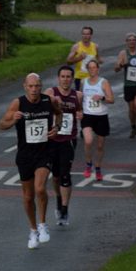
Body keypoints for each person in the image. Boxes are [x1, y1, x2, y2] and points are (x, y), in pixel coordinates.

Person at [0, 73, 59, 249]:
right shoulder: (18, 103)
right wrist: (12, 120)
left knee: (40, 188)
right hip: (25, 155)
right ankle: (33, 230)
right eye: (31, 86)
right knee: (27, 196)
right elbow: (1, 124)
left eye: (37, 86)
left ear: (41, 86)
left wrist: (56, 127)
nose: (34, 90)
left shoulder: (49, 101)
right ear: (25, 86)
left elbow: (59, 113)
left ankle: (42, 224)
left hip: (44, 152)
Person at [45, 64, 82, 228]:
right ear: (58, 78)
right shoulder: (51, 92)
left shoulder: (78, 95)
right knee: (56, 175)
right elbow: (42, 106)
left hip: (69, 139)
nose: (66, 79)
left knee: (65, 175)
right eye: (63, 76)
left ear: (72, 79)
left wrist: (80, 115)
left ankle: (65, 209)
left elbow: (80, 112)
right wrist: (53, 102)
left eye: (68, 77)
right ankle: (59, 199)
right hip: (53, 139)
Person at [80, 57, 114, 181]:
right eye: (90, 68)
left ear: (98, 69)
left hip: (101, 116)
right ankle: (89, 164)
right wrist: (78, 110)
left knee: (100, 145)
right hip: (87, 115)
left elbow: (112, 99)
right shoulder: (84, 82)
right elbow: (80, 97)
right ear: (88, 70)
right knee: (88, 141)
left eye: (94, 67)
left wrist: (102, 98)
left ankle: (98, 167)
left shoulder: (103, 82)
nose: (92, 70)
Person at [114, 31, 136, 137]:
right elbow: (116, 69)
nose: (132, 42)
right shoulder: (123, 54)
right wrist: (121, 65)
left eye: (134, 40)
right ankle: (133, 127)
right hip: (129, 84)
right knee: (131, 109)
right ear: (126, 42)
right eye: (129, 40)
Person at [66, 25, 102, 91]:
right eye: (83, 34)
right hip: (80, 77)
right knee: (80, 98)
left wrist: (99, 62)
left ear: (91, 35)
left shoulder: (95, 46)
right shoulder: (76, 47)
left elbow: (99, 59)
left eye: (87, 34)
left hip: (92, 77)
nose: (85, 36)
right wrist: (79, 58)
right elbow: (68, 61)